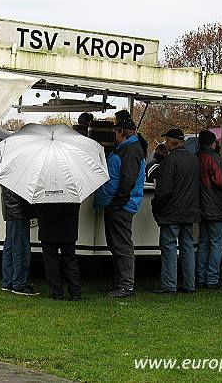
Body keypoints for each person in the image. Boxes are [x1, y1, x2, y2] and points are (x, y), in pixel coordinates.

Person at [94, 117, 146, 298]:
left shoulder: (131, 151)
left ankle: (126, 285)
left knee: (122, 245)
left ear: (122, 132)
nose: (114, 134)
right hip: (117, 204)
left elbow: (127, 181)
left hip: (121, 206)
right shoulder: (127, 148)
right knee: (115, 244)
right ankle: (119, 282)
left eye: (116, 130)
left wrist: (117, 203)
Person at [151, 128, 200, 294]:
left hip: (172, 212)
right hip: (190, 211)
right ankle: (189, 284)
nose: (165, 143)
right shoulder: (194, 160)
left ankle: (169, 285)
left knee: (169, 248)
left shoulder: (169, 161)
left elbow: (163, 190)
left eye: (166, 140)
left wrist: (157, 207)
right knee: (187, 248)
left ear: (172, 142)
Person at [196, 130, 222, 289]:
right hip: (216, 207)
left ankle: (201, 276)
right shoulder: (213, 158)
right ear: (212, 143)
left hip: (200, 206)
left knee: (203, 242)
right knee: (216, 244)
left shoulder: (196, 157)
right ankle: (212, 278)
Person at [34, 203, 82, 300]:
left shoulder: (43, 188)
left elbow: (36, 204)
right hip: (69, 224)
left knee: (51, 261)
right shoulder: (73, 187)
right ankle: (75, 293)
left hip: (47, 223)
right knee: (70, 260)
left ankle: (56, 293)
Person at [0, 186, 39, 296]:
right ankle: (19, 284)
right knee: (21, 248)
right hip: (18, 210)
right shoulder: (20, 171)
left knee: (10, 246)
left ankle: (8, 281)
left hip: (11, 208)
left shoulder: (8, 171)